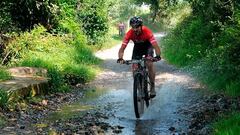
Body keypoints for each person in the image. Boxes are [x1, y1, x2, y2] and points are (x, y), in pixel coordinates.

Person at [117, 16, 161, 98]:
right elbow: (122, 49)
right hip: (137, 48)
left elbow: (156, 46)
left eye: (137, 27)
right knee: (134, 67)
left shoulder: (147, 32)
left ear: (141, 26)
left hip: (148, 47)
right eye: (133, 27)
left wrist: (157, 56)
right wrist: (120, 58)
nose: (135, 29)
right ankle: (139, 89)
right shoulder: (129, 33)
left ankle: (152, 86)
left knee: (149, 63)